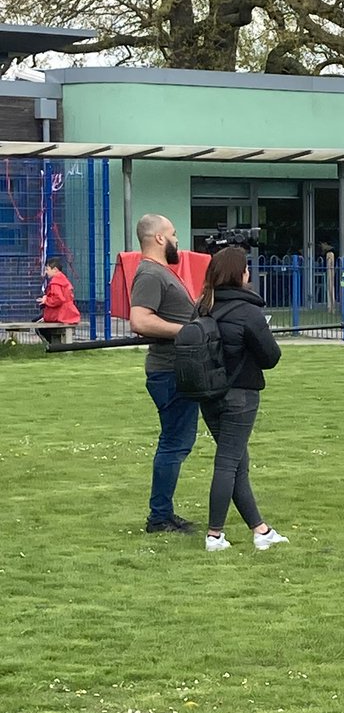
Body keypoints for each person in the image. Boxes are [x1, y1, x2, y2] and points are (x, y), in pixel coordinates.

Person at [195, 246, 288, 553]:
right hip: (240, 396)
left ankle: (261, 530)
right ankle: (214, 534)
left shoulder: (203, 307)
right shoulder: (248, 312)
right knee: (227, 462)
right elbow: (271, 356)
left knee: (237, 462)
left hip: (208, 396)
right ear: (240, 275)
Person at [129, 214, 199, 534]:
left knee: (177, 441)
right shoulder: (149, 273)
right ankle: (159, 517)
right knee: (174, 442)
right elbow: (140, 321)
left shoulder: (160, 272)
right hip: (169, 371)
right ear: (159, 238)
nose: (176, 240)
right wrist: (186, 331)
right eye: (173, 234)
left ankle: (162, 514)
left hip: (178, 369)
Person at [35, 258, 80, 342]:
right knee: (40, 322)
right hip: (69, 312)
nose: (46, 272)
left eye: (47, 269)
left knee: (37, 324)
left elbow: (59, 299)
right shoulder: (63, 279)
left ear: (55, 269)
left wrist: (46, 300)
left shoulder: (55, 282)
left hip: (61, 314)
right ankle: (54, 344)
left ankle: (52, 345)